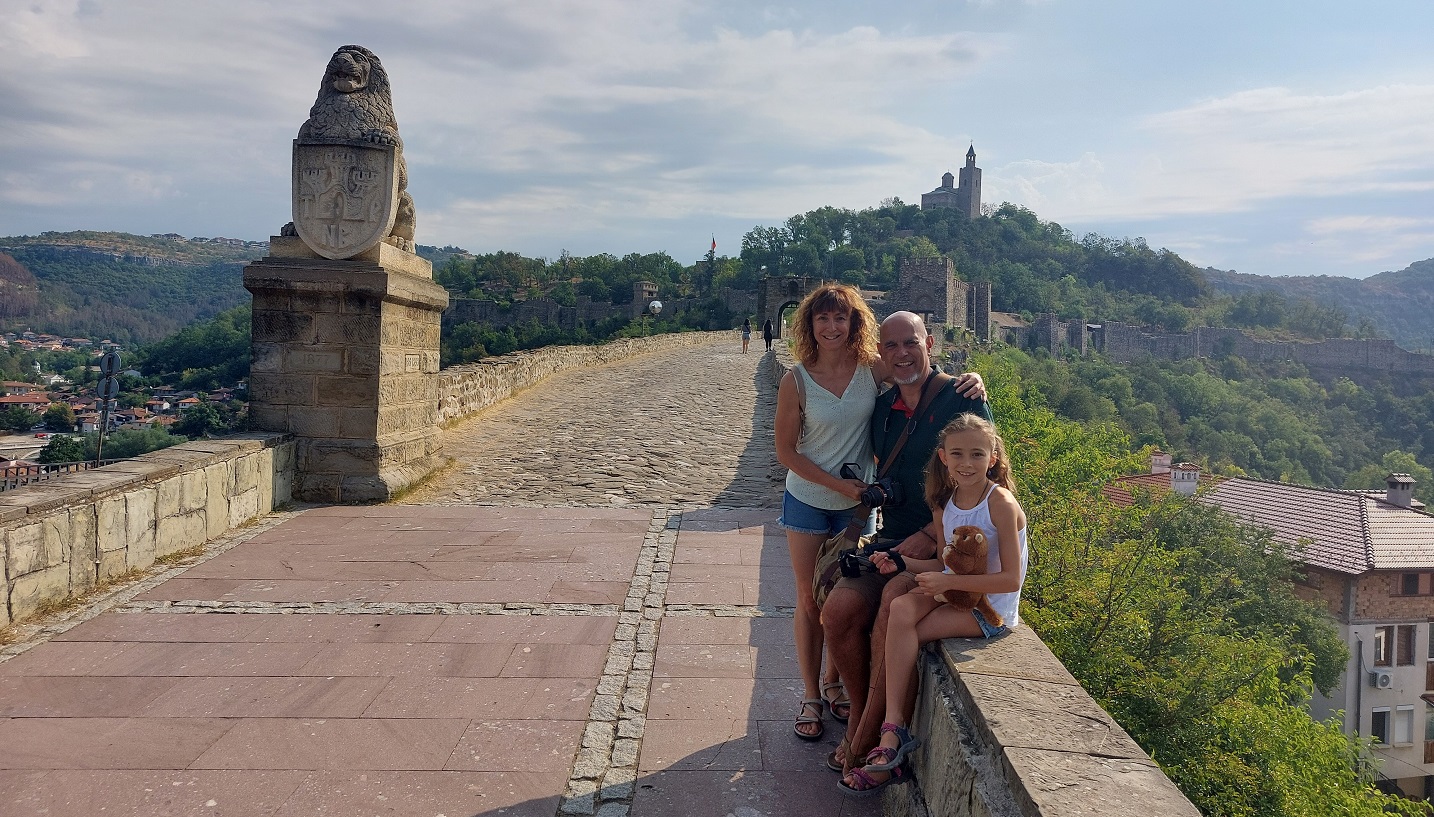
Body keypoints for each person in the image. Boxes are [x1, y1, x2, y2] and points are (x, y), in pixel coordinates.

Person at [821, 310, 991, 775]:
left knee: (891, 610)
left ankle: (864, 737)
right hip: (892, 541)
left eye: (910, 343)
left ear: (929, 344)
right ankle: (861, 712)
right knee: (836, 613)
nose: (901, 354)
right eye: (890, 346)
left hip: (944, 550)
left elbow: (983, 489)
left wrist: (928, 534)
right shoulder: (882, 410)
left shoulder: (962, 402)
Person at [839, 413, 1027, 794]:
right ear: (943, 457)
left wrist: (947, 580)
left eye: (977, 454)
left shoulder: (1000, 503)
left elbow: (1012, 579)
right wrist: (902, 562)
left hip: (991, 611)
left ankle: (890, 742)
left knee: (903, 636)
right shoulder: (945, 505)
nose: (967, 463)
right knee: (902, 610)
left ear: (993, 458)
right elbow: (944, 562)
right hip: (957, 593)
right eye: (957, 454)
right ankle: (892, 730)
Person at [774, 284, 881, 741]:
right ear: (810, 325)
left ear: (853, 323)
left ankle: (836, 684)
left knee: (841, 601)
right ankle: (812, 695)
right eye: (823, 319)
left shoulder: (872, 371)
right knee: (809, 599)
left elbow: (921, 380)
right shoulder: (795, 380)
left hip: (856, 512)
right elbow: (785, 452)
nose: (832, 327)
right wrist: (838, 484)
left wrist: (969, 380)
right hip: (808, 502)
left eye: (841, 318)